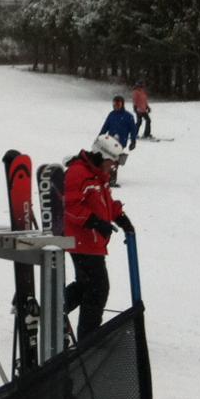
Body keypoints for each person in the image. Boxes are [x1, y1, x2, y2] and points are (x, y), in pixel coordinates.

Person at [63, 134, 135, 340]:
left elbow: (105, 203)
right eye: (111, 162)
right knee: (98, 288)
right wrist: (94, 221)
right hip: (81, 240)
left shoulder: (97, 176)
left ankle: (54, 310)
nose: (112, 167)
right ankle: (89, 336)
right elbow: (70, 206)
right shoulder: (78, 173)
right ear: (99, 156)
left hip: (93, 242)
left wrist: (119, 216)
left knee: (87, 285)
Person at [99, 94, 138, 186]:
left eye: (118, 104)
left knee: (115, 160)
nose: (116, 106)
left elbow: (133, 130)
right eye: (114, 104)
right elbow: (105, 126)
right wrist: (100, 136)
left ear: (122, 104)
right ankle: (104, 177)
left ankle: (112, 180)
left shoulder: (128, 116)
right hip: (109, 141)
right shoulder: (111, 115)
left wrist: (133, 141)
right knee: (106, 158)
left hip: (120, 143)